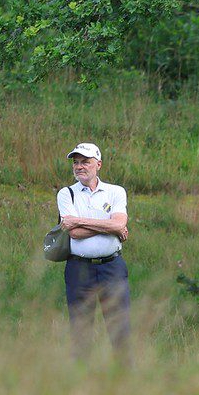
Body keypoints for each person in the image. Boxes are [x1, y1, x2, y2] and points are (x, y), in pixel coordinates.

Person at [57, 142, 131, 363]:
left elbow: (119, 223)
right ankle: (82, 379)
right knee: (81, 329)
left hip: (112, 267)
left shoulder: (115, 191)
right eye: (76, 162)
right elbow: (75, 233)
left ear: (98, 165)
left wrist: (79, 220)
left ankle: (125, 376)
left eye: (85, 162)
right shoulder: (66, 194)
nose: (79, 166)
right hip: (79, 267)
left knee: (120, 327)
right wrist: (110, 227)